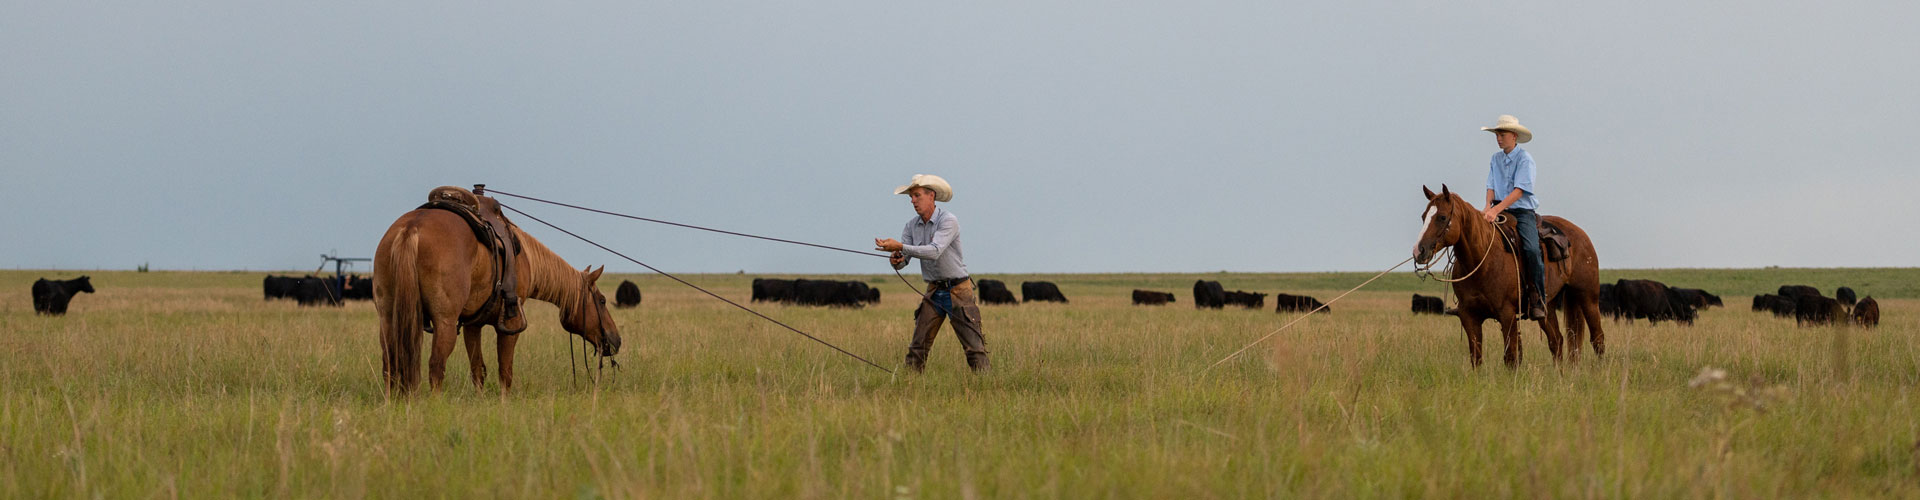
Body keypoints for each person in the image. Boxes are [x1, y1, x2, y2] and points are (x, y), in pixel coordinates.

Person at [874, 174, 990, 372]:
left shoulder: (948, 221)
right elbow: (905, 259)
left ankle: (986, 387)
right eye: (911, 197)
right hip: (934, 290)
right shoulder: (910, 226)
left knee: (974, 349)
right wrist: (896, 260)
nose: (912, 201)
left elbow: (935, 251)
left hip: (959, 290)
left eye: (917, 195)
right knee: (917, 347)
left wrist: (901, 246)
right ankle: (910, 385)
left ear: (931, 196)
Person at [1481, 115, 1547, 320]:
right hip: (1498, 210)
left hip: (1521, 212)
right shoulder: (1495, 159)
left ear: (1514, 136)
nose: (1498, 138)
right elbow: (1490, 185)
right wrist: (1487, 206)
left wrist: (1496, 210)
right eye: (1497, 135)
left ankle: (1537, 297)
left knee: (1531, 248)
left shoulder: (1525, 159)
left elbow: (1520, 191)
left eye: (1502, 135)